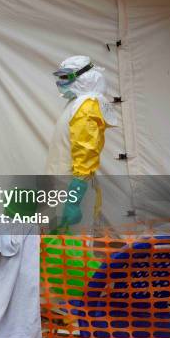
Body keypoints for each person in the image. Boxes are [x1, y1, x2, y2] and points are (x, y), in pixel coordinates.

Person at [45, 56, 117, 230]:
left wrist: (73, 199)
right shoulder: (77, 103)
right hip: (63, 184)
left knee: (74, 247)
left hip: (71, 187)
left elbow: (86, 151)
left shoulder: (87, 106)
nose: (60, 82)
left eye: (65, 77)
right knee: (62, 246)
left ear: (83, 77)